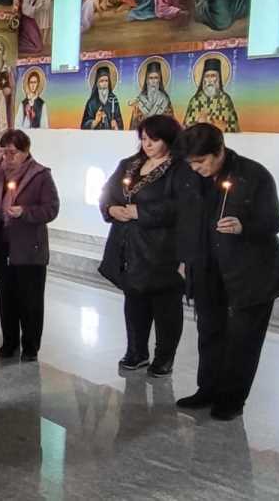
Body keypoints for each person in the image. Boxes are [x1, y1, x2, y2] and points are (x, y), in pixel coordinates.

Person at [172, 124, 279, 420]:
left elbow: (274, 221)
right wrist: (185, 259)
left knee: (243, 339)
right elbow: (185, 220)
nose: (196, 168)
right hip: (207, 268)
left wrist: (243, 227)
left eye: (201, 161)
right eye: (191, 163)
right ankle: (207, 390)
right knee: (209, 332)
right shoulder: (190, 177)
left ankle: (232, 399)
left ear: (219, 150)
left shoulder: (253, 175)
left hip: (251, 272)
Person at [99, 115, 185, 377]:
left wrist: (141, 212)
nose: (147, 145)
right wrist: (111, 208)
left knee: (165, 306)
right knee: (134, 300)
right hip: (128, 246)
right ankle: (136, 352)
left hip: (162, 249)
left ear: (168, 139)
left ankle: (164, 357)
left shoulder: (180, 169)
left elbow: (182, 206)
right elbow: (107, 192)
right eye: (144, 139)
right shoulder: (129, 165)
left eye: (154, 140)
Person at [0, 129, 59, 361]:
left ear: (26, 152)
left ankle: (30, 347)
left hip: (29, 247)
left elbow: (51, 208)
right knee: (6, 297)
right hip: (1, 244)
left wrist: (25, 212)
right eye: (5, 152)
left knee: (30, 299)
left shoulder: (40, 175)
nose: (8, 157)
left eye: (13, 152)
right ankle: (9, 342)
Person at [183, 57, 239, 133]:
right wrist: (198, 123)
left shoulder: (225, 100)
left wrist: (213, 123)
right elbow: (186, 127)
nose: (209, 80)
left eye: (213, 76)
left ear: (219, 78)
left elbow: (233, 127)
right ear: (203, 79)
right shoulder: (195, 100)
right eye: (207, 76)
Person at [129, 61, 174, 129]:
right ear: (147, 80)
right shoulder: (140, 100)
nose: (153, 81)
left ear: (159, 80)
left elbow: (170, 124)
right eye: (151, 78)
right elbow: (133, 126)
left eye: (156, 78)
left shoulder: (165, 100)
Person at [81, 66, 124, 130]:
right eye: (101, 81)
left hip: (111, 135)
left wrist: (116, 126)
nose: (104, 84)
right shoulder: (91, 102)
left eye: (106, 81)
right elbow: (84, 126)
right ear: (97, 83)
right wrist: (95, 121)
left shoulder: (113, 99)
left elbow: (120, 123)